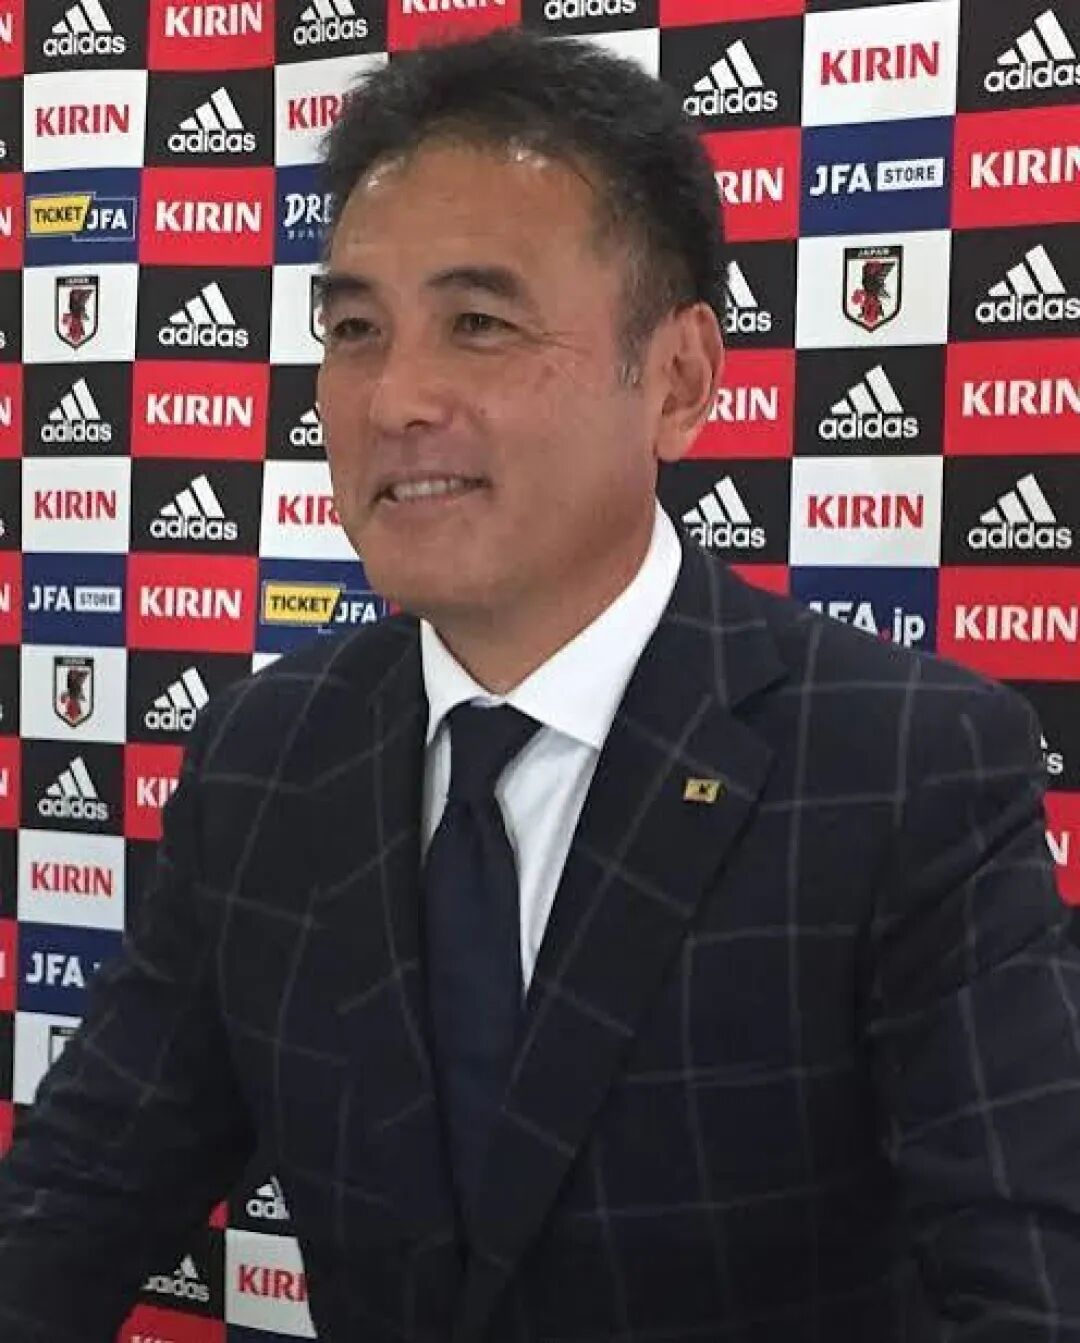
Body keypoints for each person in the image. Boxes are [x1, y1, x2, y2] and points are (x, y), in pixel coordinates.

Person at [3, 26, 1080, 1343]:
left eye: (479, 323)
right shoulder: (265, 758)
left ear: (678, 380)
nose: (395, 398)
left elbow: (1032, 1290)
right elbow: (74, 1204)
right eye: (355, 329)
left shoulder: (905, 767)